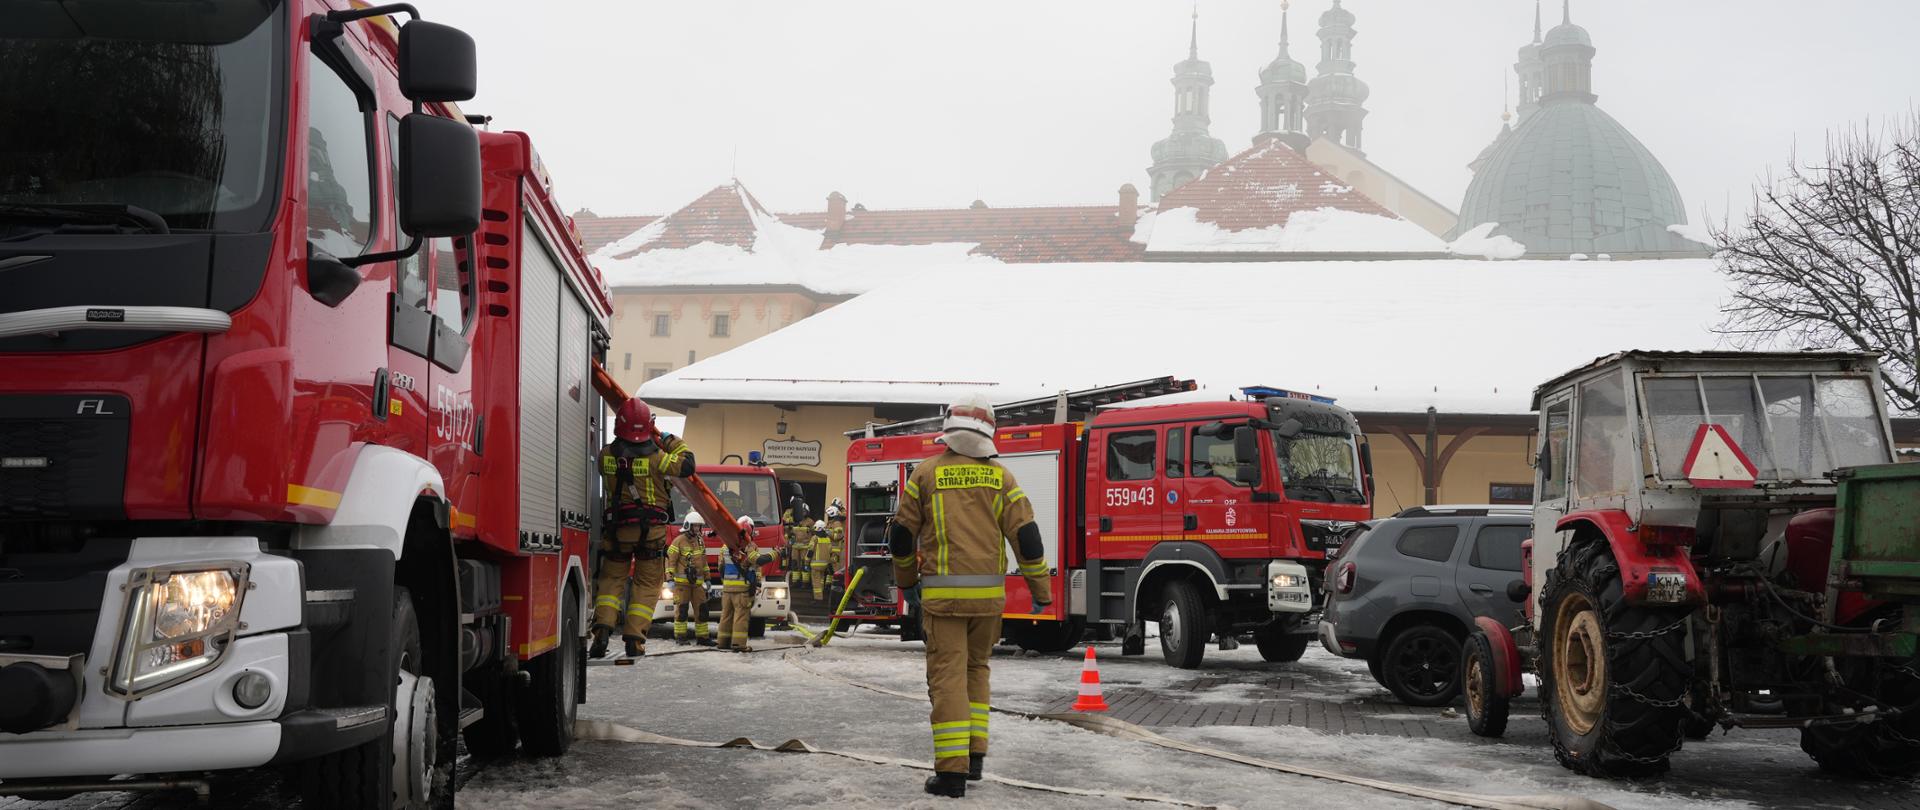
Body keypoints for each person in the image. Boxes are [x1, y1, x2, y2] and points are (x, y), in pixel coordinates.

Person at [889, 396, 1051, 797]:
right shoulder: (1001, 478)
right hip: (988, 603)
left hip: (943, 604)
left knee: (947, 680)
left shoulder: (924, 475)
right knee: (976, 673)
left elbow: (901, 536)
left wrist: (907, 581)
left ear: (949, 428)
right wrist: (1041, 590)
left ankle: (951, 774)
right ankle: (974, 757)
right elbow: (1027, 539)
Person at [590, 398, 694, 659]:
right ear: (648, 427)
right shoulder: (659, 459)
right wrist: (669, 438)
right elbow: (687, 464)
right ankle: (634, 640)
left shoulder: (605, 457)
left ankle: (602, 630)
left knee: (611, 581)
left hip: (617, 531)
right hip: (651, 533)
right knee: (647, 584)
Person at [717, 516, 773, 652]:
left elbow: (721, 567)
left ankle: (722, 642)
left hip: (727, 588)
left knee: (726, 615)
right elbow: (758, 562)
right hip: (742, 588)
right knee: (741, 617)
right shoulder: (749, 547)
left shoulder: (725, 547)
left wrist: (726, 582)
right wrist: (776, 553)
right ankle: (738, 644)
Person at [667, 513, 714, 646]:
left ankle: (703, 638)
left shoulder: (700, 541)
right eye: (695, 526)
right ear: (688, 526)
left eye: (699, 526)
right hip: (682, 585)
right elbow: (670, 561)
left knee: (702, 611)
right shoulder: (678, 541)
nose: (698, 528)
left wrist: (708, 578)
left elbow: (704, 562)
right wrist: (670, 579)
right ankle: (681, 637)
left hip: (698, 584)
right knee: (682, 611)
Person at [810, 519, 835, 601]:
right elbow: (831, 551)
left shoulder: (815, 538)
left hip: (815, 565)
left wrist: (806, 561)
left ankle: (818, 598)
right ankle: (822, 594)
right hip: (825, 565)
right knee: (821, 580)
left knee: (816, 582)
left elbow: (810, 550)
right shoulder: (828, 539)